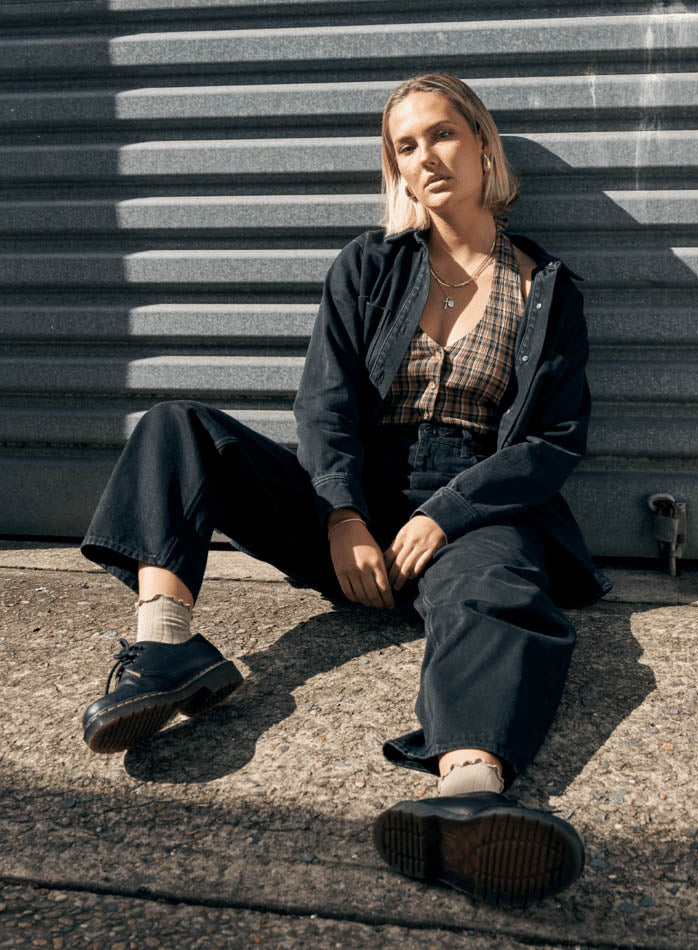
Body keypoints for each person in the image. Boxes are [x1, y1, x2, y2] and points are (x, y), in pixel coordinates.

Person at [80, 73, 611, 907]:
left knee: (495, 589)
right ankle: (165, 645)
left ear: (481, 142)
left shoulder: (547, 289)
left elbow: (552, 441)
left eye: (441, 134)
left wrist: (447, 514)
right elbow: (323, 404)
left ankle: (467, 793)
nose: (425, 157)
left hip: (473, 507)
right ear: (394, 167)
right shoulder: (369, 266)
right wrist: (341, 512)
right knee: (176, 423)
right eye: (405, 146)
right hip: (357, 504)